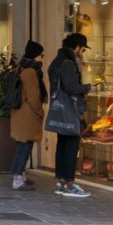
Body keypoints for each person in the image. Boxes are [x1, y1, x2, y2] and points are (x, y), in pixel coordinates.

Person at [48, 32, 93, 198]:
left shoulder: (58, 60)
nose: (83, 53)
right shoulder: (68, 62)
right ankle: (69, 183)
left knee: (63, 144)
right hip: (70, 109)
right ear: (77, 47)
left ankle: (61, 181)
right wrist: (88, 87)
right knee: (71, 146)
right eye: (83, 49)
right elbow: (71, 87)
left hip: (60, 109)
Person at [10, 40, 47, 191]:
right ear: (36, 55)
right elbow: (33, 96)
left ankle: (21, 175)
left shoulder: (21, 67)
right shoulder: (31, 72)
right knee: (25, 146)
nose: (43, 58)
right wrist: (40, 111)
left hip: (20, 113)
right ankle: (17, 178)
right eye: (42, 55)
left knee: (22, 145)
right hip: (28, 114)